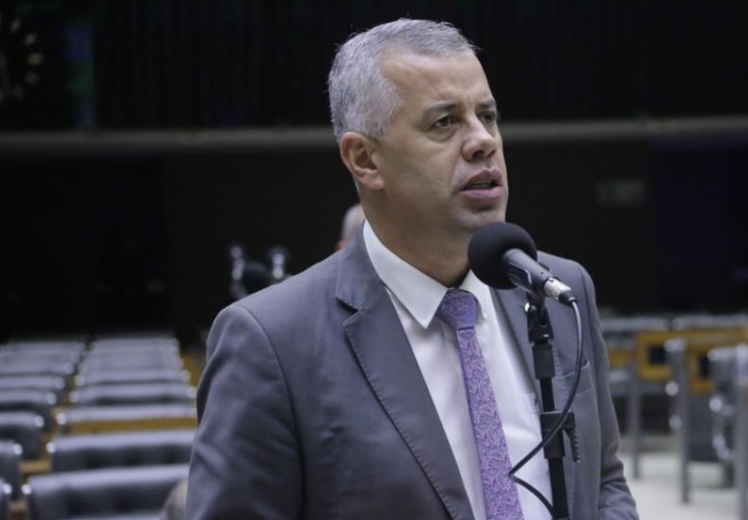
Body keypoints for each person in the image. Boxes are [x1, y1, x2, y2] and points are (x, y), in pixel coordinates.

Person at [188, 19, 638, 520]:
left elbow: (603, 483)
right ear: (365, 159)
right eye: (444, 122)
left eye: (487, 116)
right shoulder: (270, 342)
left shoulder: (559, 290)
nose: (482, 141)